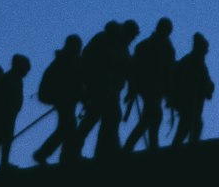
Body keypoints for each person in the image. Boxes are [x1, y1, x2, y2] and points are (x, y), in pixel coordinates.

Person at [77, 19, 140, 159]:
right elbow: (97, 62)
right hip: (101, 87)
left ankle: (103, 150)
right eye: (132, 36)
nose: (133, 39)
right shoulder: (108, 41)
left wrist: (130, 85)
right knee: (96, 118)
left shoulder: (122, 45)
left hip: (111, 89)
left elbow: (126, 67)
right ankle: (77, 150)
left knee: (109, 118)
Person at [124, 17, 176, 152]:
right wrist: (133, 87)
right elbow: (135, 68)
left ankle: (149, 146)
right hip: (149, 87)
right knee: (152, 117)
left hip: (156, 88)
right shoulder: (147, 46)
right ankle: (132, 147)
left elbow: (169, 72)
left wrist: (169, 92)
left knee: (153, 117)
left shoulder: (165, 48)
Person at [33, 34, 84, 166]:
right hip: (62, 97)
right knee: (68, 127)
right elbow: (70, 80)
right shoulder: (67, 61)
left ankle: (64, 155)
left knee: (66, 127)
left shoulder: (66, 59)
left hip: (64, 97)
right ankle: (50, 155)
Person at [170, 33, 214, 146]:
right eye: (204, 49)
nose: (206, 52)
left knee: (193, 127)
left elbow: (206, 81)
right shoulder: (189, 61)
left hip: (196, 104)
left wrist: (209, 87)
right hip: (188, 103)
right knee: (188, 127)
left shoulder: (200, 64)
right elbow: (182, 79)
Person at [0, 54, 31, 171]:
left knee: (7, 138)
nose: (26, 73)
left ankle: (3, 162)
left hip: (11, 114)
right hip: (4, 114)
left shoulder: (17, 80)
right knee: (0, 139)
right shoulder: (8, 79)